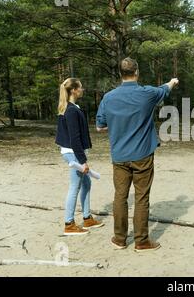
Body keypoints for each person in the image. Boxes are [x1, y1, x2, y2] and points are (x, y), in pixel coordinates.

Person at [96, 57, 179, 252]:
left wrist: (118, 124)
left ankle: (119, 239)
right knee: (141, 197)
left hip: (119, 156)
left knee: (120, 197)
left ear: (120, 74)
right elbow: (164, 88)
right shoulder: (147, 93)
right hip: (142, 155)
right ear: (137, 72)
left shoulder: (108, 97)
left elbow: (100, 126)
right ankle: (141, 241)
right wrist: (172, 82)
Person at [56, 78, 104, 236]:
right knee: (75, 187)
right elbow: (74, 139)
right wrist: (82, 162)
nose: (82, 90)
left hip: (73, 153)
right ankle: (69, 223)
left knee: (86, 184)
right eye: (80, 87)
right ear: (74, 90)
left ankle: (87, 218)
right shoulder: (70, 110)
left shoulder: (72, 108)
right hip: (73, 154)